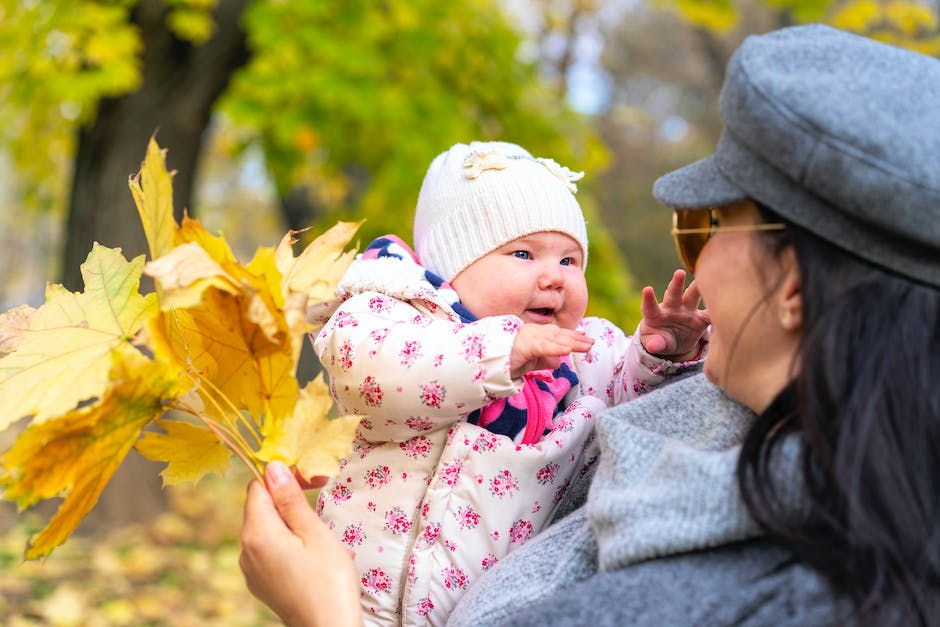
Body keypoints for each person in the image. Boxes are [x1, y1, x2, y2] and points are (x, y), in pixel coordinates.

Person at [240, 23, 940, 626]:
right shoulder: (789, 467)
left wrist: (320, 614)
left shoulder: (741, 593)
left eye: (710, 227)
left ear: (792, 287)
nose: (695, 263)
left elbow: (610, 374)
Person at [304, 140, 709, 624]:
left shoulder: (573, 351)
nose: (554, 278)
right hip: (368, 601)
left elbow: (626, 402)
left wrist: (660, 354)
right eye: (523, 253)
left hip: (493, 609)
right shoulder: (395, 315)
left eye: (568, 261)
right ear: (453, 267)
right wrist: (502, 351)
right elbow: (373, 376)